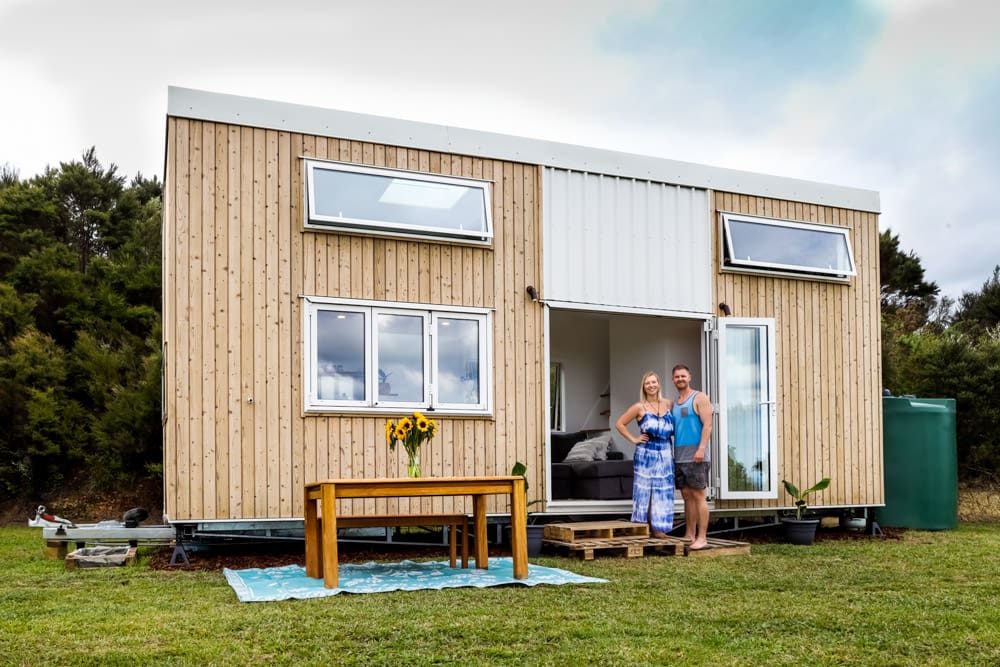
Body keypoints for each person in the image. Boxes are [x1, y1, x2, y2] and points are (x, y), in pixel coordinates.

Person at [615, 370, 674, 538]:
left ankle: (659, 528)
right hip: (645, 453)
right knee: (645, 490)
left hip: (665, 451)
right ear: (644, 387)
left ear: (659, 384)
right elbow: (620, 424)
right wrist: (634, 439)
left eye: (654, 382)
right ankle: (644, 527)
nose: (651, 385)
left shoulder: (669, 404)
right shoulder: (639, 407)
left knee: (662, 490)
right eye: (648, 383)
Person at [671, 364, 713, 550]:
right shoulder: (676, 402)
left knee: (698, 495)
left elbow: (708, 425)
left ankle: (702, 537)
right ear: (673, 380)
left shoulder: (700, 397)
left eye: (683, 376)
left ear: (689, 377)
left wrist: (701, 448)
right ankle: (689, 534)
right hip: (680, 456)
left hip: (696, 456)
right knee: (686, 495)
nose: (680, 379)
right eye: (676, 377)